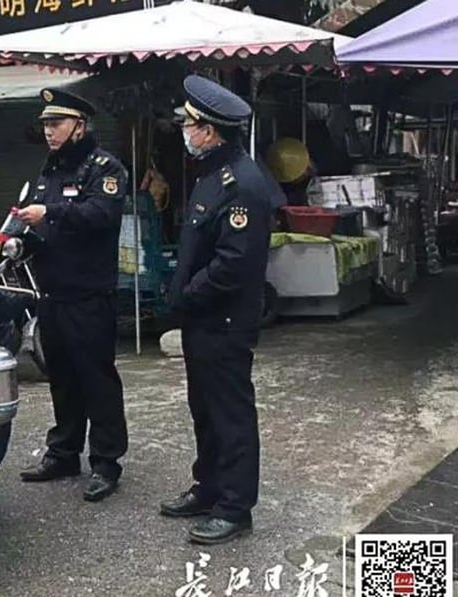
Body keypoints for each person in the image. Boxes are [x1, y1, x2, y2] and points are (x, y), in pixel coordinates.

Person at [160, 75, 272, 545]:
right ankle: (208, 488)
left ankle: (234, 507)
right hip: (202, 320)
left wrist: (187, 295)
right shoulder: (212, 174)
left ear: (209, 130)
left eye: (189, 124)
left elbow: (232, 265)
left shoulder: (242, 183)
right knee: (203, 410)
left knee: (229, 413)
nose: (184, 131)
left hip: (223, 320)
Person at [16, 88, 129, 503]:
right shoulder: (50, 169)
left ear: (79, 126)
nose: (49, 131)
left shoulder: (105, 168)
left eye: (57, 123)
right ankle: (63, 452)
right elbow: (43, 222)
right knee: (60, 378)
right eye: (45, 124)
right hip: (53, 293)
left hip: (89, 294)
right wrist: (22, 240)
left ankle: (105, 462)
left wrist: (51, 214)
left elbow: (101, 216)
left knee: (96, 379)